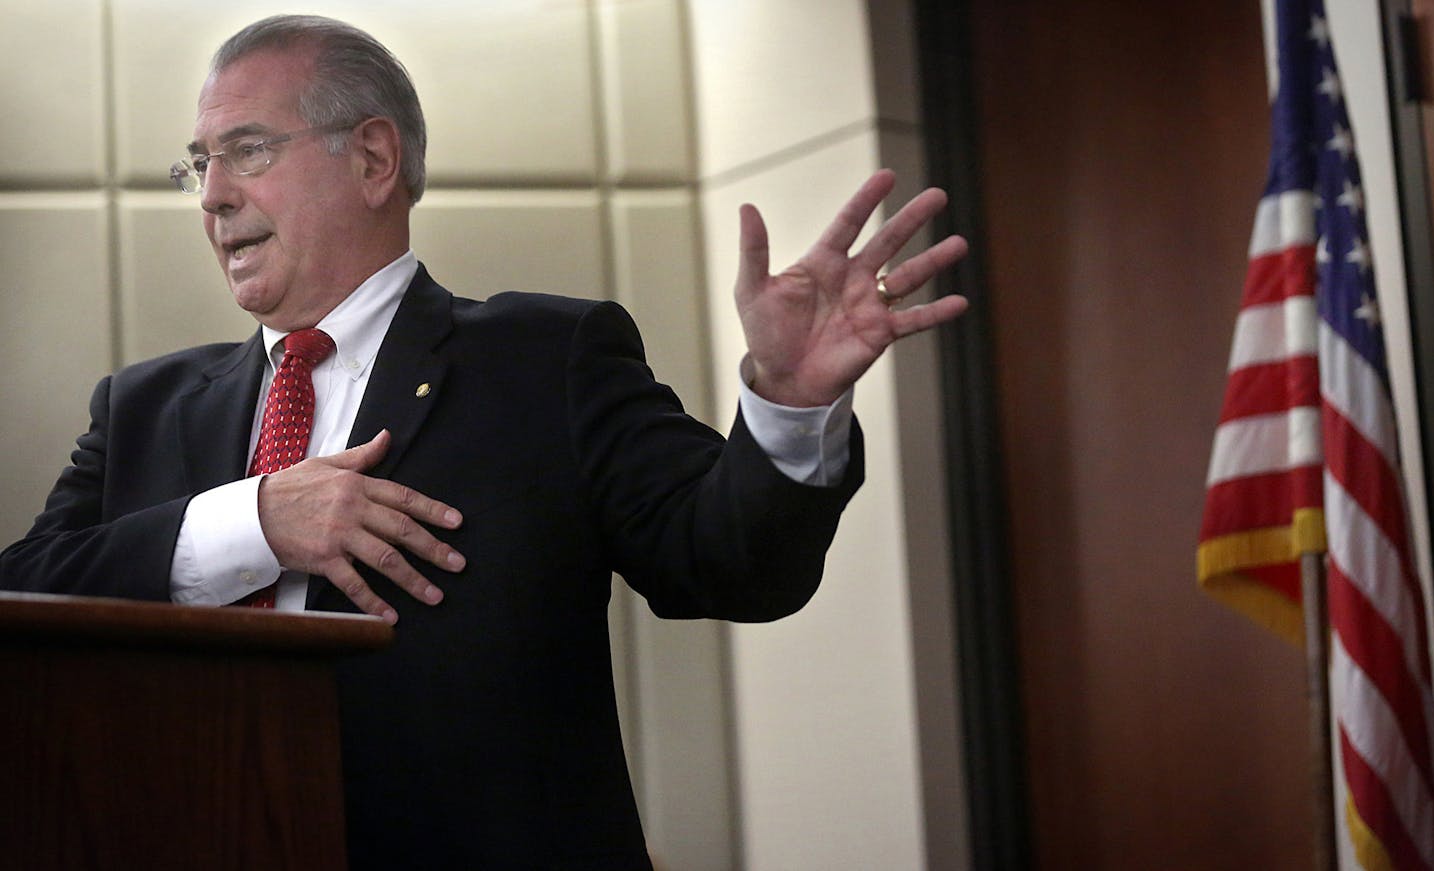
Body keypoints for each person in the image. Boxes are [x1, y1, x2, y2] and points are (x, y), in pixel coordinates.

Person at [0, 14, 968, 869]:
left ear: (374, 159)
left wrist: (787, 408)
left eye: (245, 151)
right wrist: (249, 522)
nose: (210, 196)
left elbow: (728, 568)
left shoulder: (546, 358)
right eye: (197, 162)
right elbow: (24, 593)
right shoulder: (143, 405)